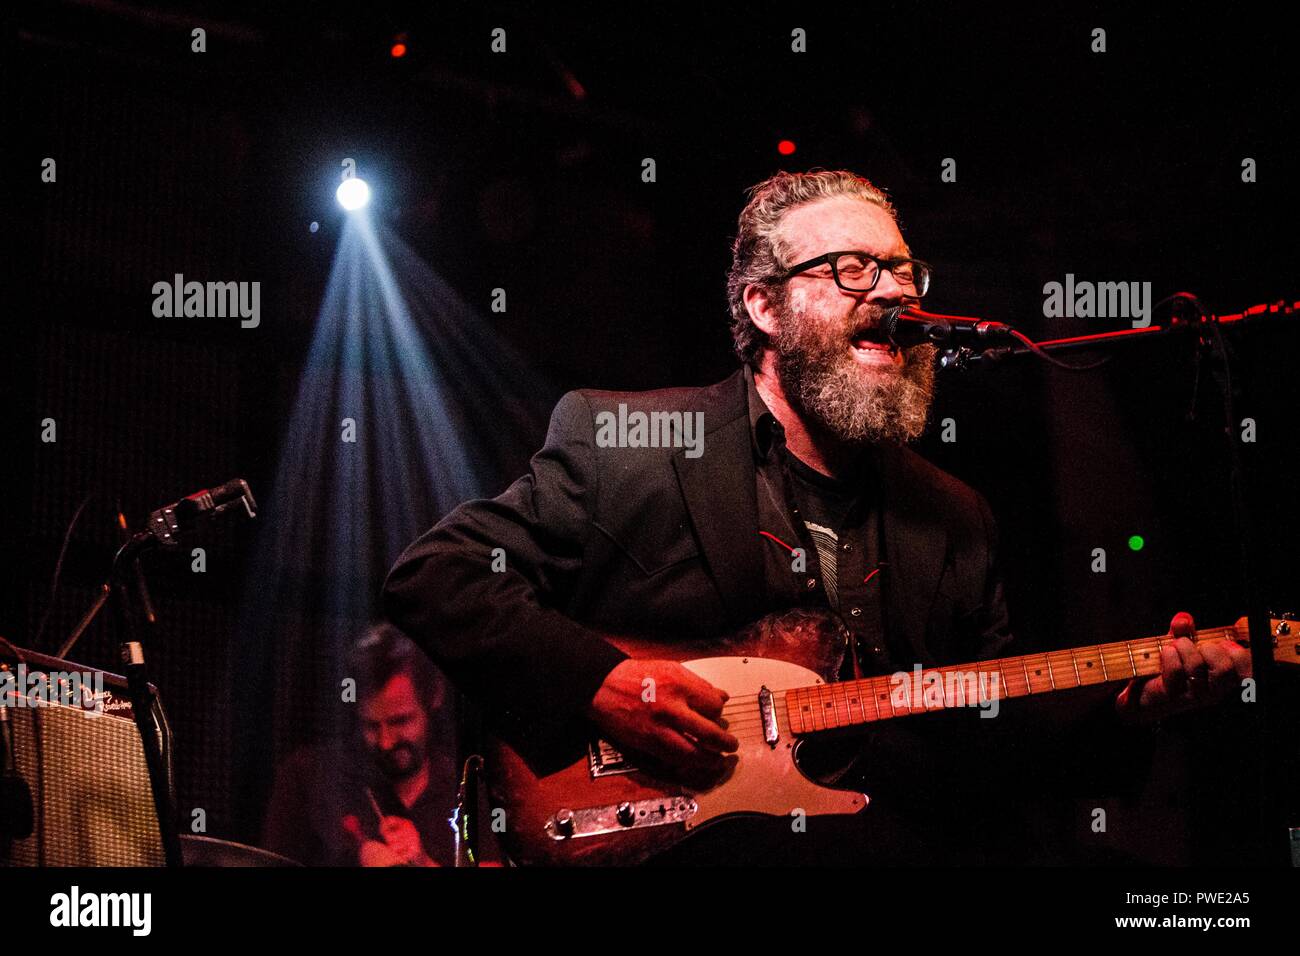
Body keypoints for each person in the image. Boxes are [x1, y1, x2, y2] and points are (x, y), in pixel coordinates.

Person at [382, 169, 1251, 864]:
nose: (895, 294)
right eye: (851, 269)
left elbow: (990, 748)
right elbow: (436, 578)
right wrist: (603, 683)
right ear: (764, 307)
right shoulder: (631, 443)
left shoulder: (955, 516)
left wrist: (1129, 711)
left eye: (904, 269)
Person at [261, 623, 465, 866]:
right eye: (371, 725)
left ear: (435, 697)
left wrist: (423, 862)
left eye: (400, 721)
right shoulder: (307, 777)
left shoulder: (465, 787)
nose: (386, 742)